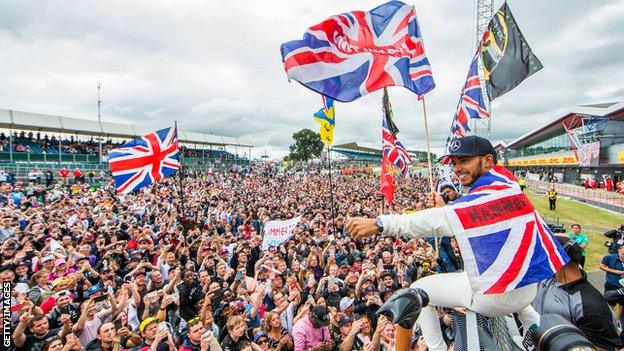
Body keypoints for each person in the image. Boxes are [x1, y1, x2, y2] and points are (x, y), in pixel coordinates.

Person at [347, 135, 565, 351]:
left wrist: (380, 222)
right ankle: (534, 330)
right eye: (455, 163)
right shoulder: (508, 185)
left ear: (488, 160)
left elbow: (433, 220)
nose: (458, 168)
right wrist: (445, 205)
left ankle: (437, 348)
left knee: (416, 290)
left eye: (465, 161)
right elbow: (470, 208)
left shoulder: (482, 198)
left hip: (495, 299)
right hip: (526, 292)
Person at [532, 236, 621, 350]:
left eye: (545, 254)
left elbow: (607, 347)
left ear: (558, 259)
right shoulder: (546, 277)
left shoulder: (591, 306)